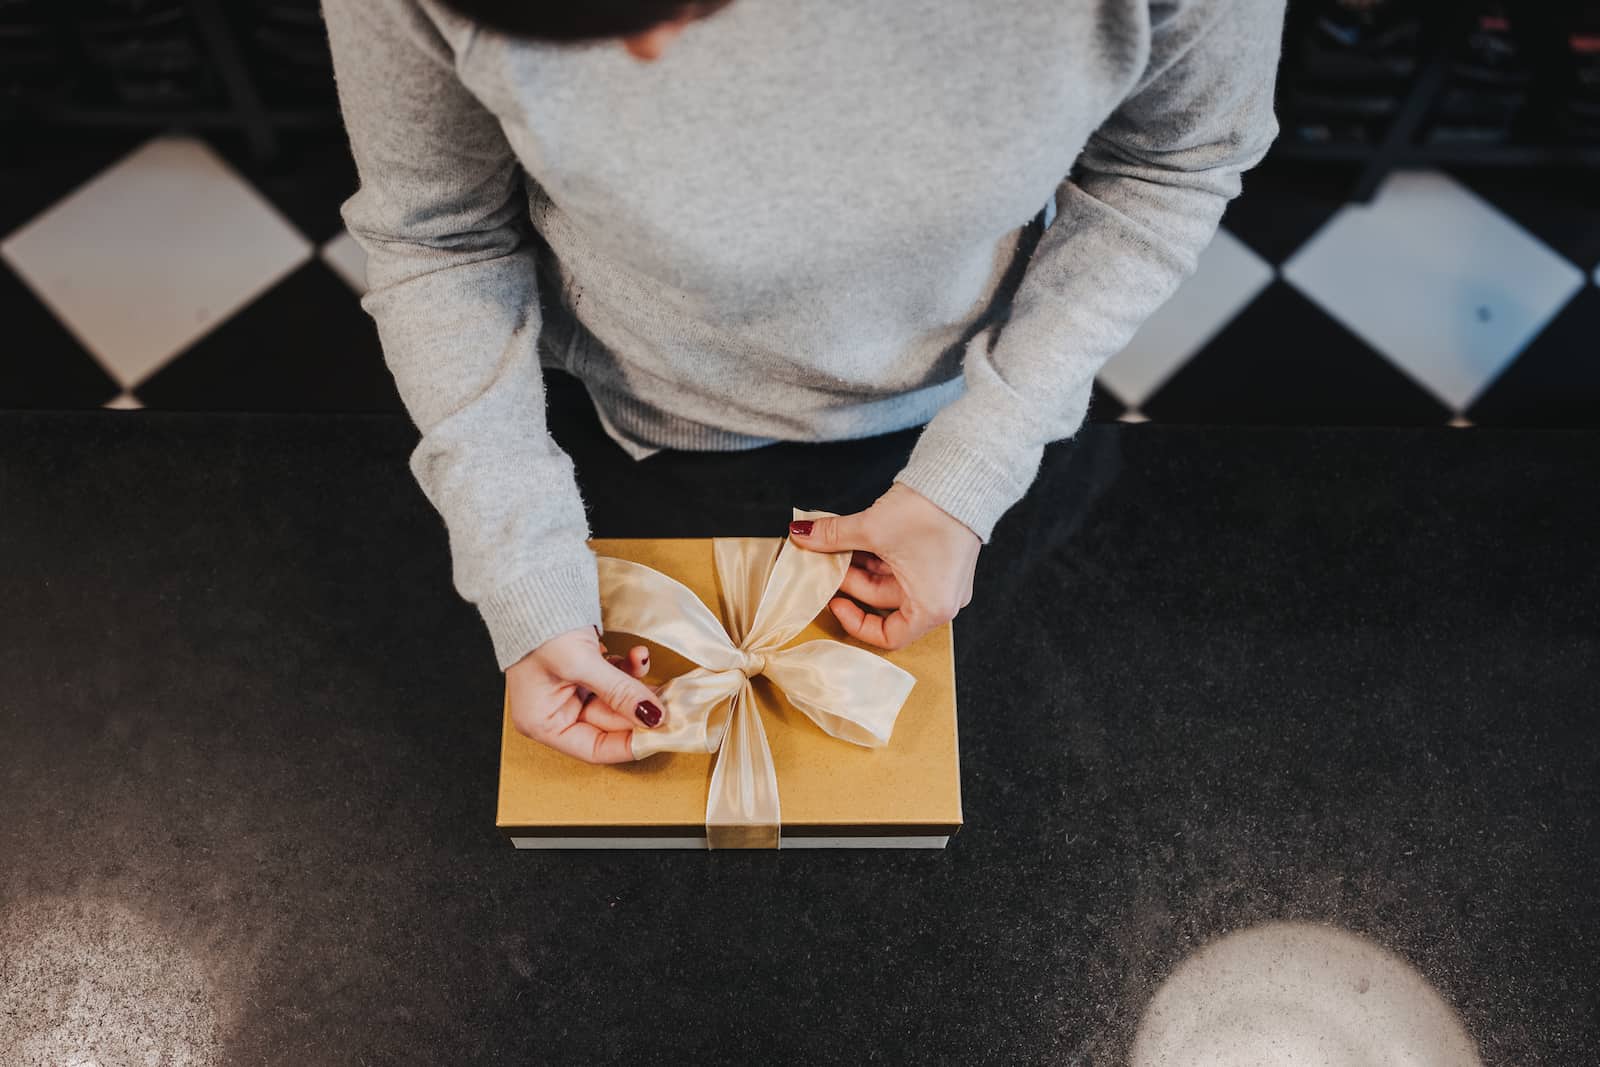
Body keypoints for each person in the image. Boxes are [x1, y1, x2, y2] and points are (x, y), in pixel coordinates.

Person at [322, 0, 1285, 765]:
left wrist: (973, 473)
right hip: (599, 432)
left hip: (984, 419)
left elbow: (1173, 162)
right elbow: (435, 234)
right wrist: (522, 568)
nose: (648, 59)